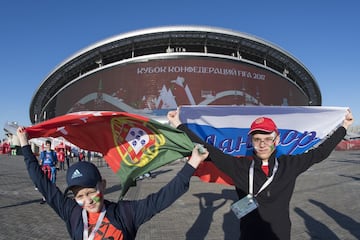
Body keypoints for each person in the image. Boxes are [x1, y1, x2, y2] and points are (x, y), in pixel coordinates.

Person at [167, 108, 354, 240]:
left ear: (277, 139)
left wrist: (344, 126)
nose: (262, 144)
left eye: (267, 139)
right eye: (257, 139)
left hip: (280, 236)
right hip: (249, 236)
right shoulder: (239, 166)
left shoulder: (290, 165)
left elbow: (320, 152)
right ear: (251, 141)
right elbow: (209, 150)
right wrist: (179, 125)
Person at [17, 126, 209, 240]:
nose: (87, 201)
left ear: (103, 185)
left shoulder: (125, 214)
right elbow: (42, 183)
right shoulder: (72, 212)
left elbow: (162, 198)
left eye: (90, 192)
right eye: (79, 196)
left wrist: (192, 164)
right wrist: (25, 145)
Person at [39, 139, 58, 204]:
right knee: (44, 183)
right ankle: (44, 197)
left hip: (51, 169)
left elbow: (56, 161)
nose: (48, 147)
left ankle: (52, 197)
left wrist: (54, 166)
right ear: (45, 145)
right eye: (47, 145)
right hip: (45, 169)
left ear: (50, 145)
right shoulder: (43, 153)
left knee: (52, 183)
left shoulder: (53, 153)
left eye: (49, 145)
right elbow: (41, 161)